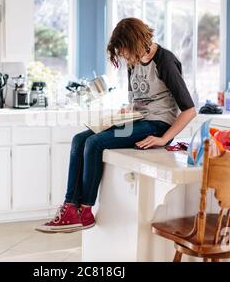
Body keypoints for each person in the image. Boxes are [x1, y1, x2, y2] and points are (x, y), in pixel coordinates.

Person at [36, 18, 197, 233]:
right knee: (79, 139)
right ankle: (69, 208)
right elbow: (137, 101)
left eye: (126, 51)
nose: (125, 57)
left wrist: (164, 139)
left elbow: (189, 110)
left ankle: (84, 211)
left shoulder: (164, 61)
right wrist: (125, 113)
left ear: (137, 42)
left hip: (158, 124)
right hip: (138, 120)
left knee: (94, 143)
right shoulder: (133, 62)